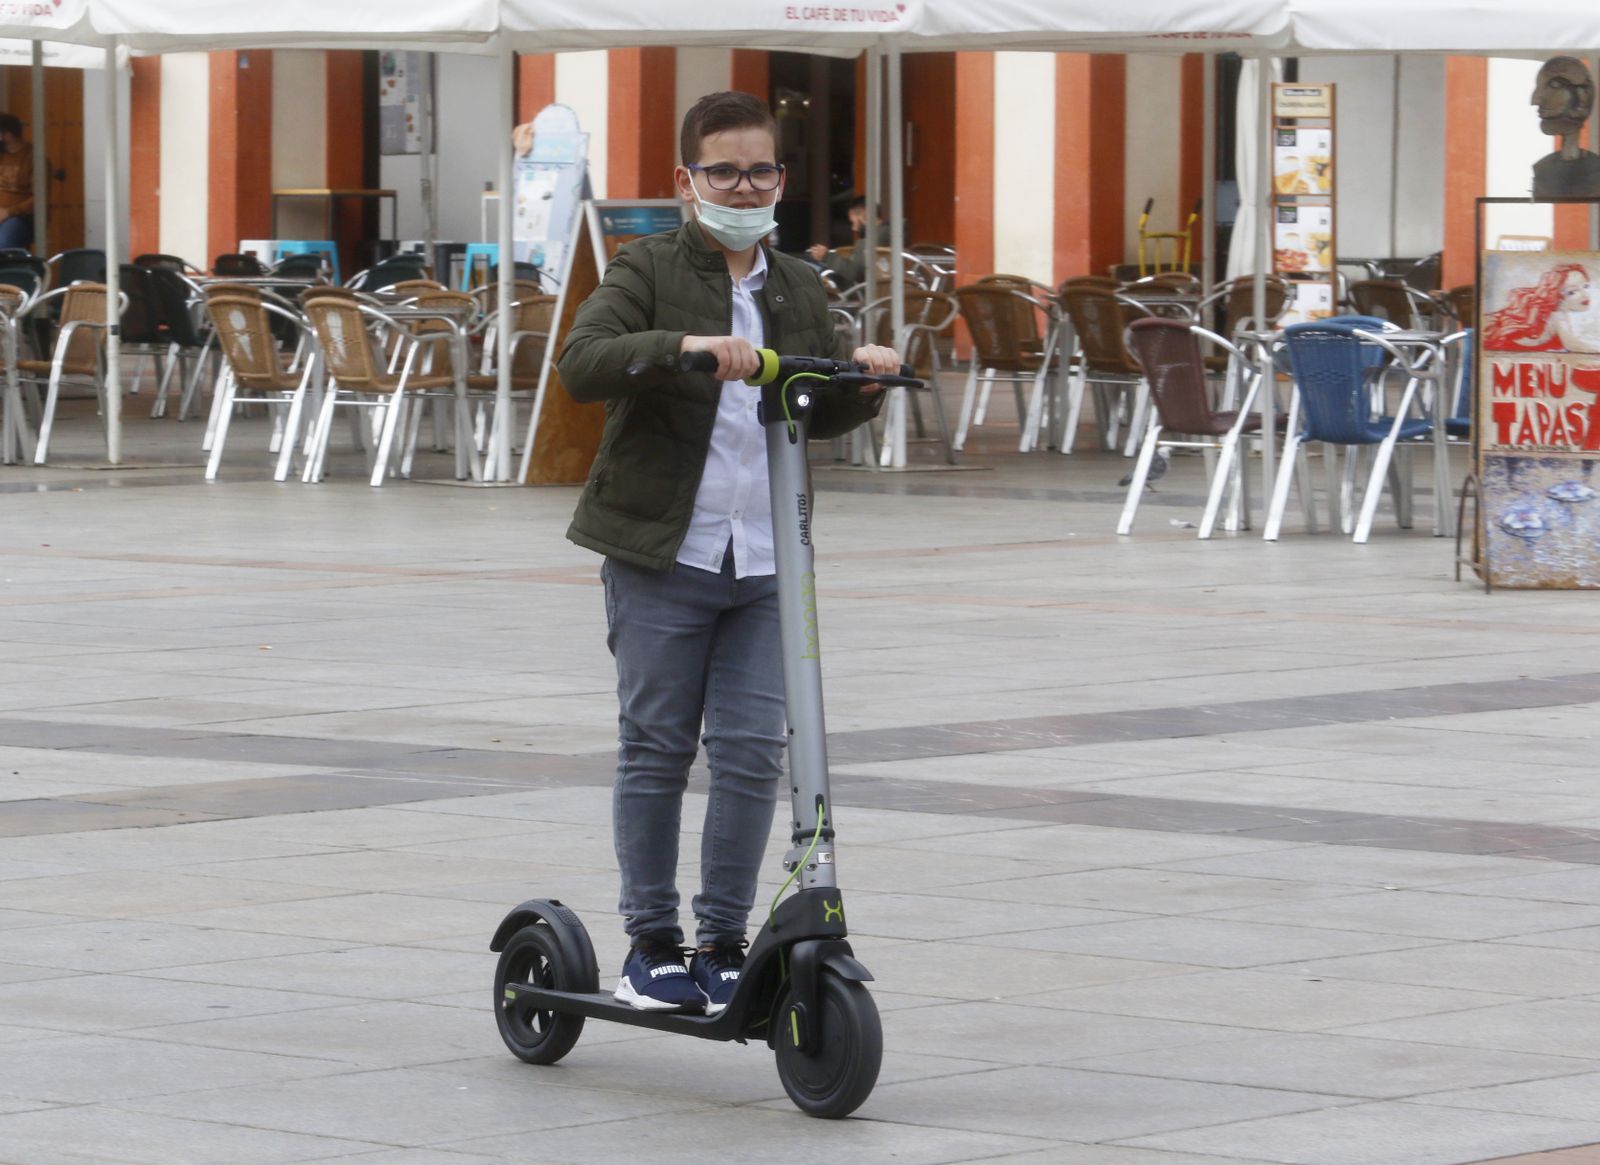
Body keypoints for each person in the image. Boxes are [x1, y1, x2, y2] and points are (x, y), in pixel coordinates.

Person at [557, 91, 898, 1015]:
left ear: (780, 180)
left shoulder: (795, 285)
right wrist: (685, 348)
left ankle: (721, 939)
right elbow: (583, 362)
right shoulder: (648, 267)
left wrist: (860, 380)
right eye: (724, 171)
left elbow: (813, 402)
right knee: (658, 747)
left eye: (760, 170)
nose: (744, 186)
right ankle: (650, 942)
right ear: (687, 180)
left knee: (751, 753)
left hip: (765, 558)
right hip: (663, 550)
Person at [1530, 56, 1600, 198]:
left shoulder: (1595, 170)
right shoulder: (1543, 169)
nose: (1535, 100)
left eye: (1553, 85)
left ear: (1582, 96)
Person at [806, 196, 879, 289]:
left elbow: (854, 274)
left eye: (853, 222)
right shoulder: (889, 237)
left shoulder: (868, 243)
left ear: (864, 214)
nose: (854, 228)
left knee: (806, 267)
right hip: (862, 288)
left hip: (856, 290)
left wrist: (826, 256)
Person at [0, 114, 35, 252]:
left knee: (5, 243)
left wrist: (9, 212)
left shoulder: (33, 158)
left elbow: (39, 198)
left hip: (21, 217)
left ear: (7, 135)